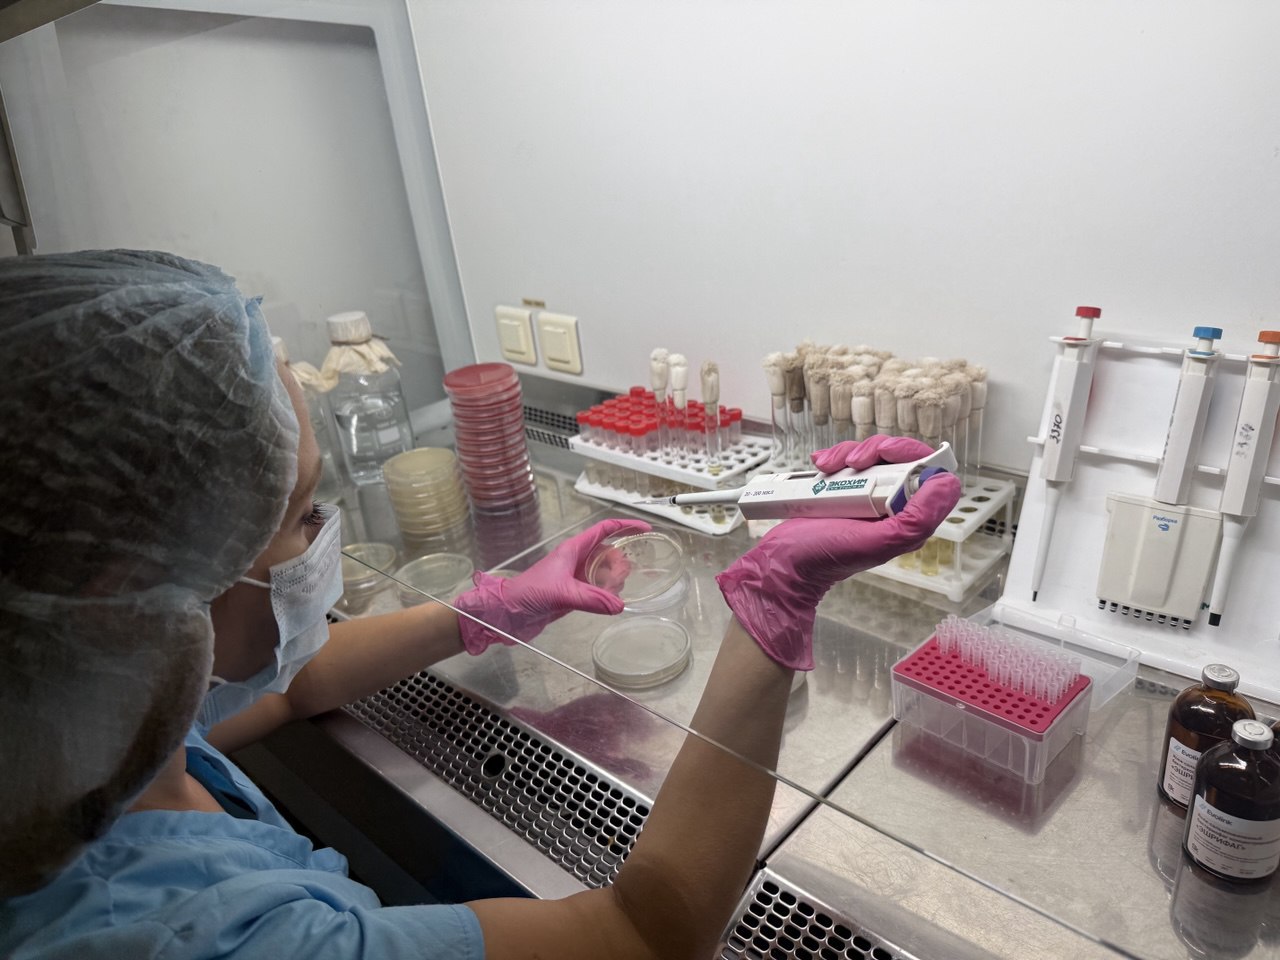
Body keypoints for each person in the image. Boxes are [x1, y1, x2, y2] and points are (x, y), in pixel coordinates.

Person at [0, 250, 961, 959]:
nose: (321, 538)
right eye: (299, 517)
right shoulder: (203, 940)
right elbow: (645, 935)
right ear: (132, 600)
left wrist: (492, 608)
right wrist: (772, 600)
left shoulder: (83, 737)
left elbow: (292, 686)